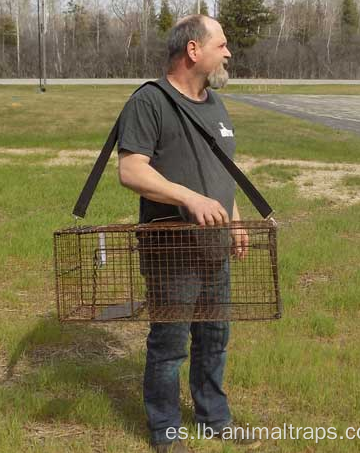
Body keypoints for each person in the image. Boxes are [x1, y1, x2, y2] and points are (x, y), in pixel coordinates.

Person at [117, 14, 259, 453]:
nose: (229, 52)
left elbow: (219, 170)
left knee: (215, 337)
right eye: (222, 44)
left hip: (214, 246)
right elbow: (130, 170)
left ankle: (214, 418)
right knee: (171, 342)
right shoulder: (150, 101)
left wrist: (232, 215)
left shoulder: (215, 103)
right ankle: (164, 430)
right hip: (171, 247)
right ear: (193, 51)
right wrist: (190, 198)